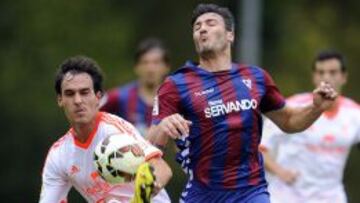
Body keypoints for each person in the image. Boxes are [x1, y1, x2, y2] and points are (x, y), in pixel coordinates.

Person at [146, 3, 338, 203]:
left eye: (210, 23)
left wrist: (316, 108)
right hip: (203, 195)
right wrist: (164, 127)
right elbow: (150, 146)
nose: (202, 28)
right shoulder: (176, 84)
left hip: (251, 192)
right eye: (197, 27)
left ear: (230, 35)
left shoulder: (256, 77)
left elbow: (289, 121)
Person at [39, 56, 172, 203]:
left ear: (98, 97)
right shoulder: (58, 156)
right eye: (70, 94)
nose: (77, 101)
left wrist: (147, 190)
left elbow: (162, 169)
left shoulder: (115, 131)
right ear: (60, 100)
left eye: (84, 92)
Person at [260, 51, 360, 203]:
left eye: (333, 72)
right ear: (314, 77)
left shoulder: (354, 114)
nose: (326, 77)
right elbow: (260, 149)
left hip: (331, 197)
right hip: (287, 196)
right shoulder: (292, 107)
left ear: (344, 77)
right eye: (321, 72)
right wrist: (280, 172)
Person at [101, 38, 170, 136]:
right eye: (145, 63)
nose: (150, 69)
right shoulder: (119, 96)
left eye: (156, 63)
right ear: (136, 67)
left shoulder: (175, 101)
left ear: (166, 67)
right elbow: (90, 114)